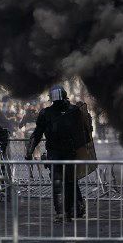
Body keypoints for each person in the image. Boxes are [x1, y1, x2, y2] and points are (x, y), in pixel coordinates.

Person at [26, 85, 89, 223]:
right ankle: (63, 212)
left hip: (68, 152)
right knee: (60, 183)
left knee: (67, 182)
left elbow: (85, 131)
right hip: (58, 153)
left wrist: (29, 151)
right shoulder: (49, 113)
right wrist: (29, 150)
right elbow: (37, 134)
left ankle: (71, 210)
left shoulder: (74, 111)